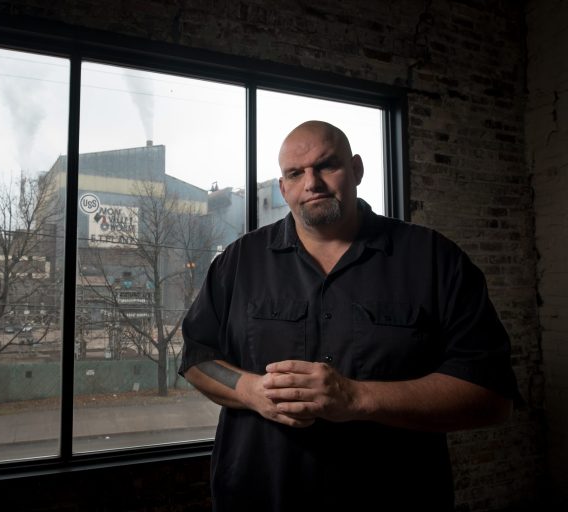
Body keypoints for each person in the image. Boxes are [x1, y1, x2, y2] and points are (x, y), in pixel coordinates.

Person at [179, 120, 520, 511]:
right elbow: (197, 358)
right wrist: (252, 392)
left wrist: (357, 397)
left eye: (327, 165)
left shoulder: (434, 259)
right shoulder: (239, 262)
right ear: (283, 187)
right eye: (296, 173)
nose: (312, 183)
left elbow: (492, 396)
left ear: (356, 169)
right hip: (258, 498)